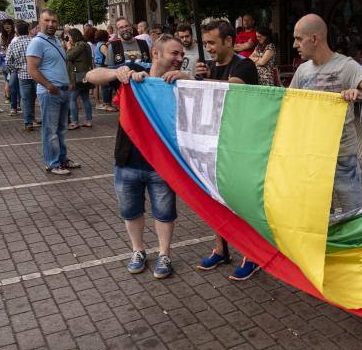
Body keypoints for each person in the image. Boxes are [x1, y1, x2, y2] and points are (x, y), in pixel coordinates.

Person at [85, 34, 206, 279]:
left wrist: (190, 78)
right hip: (128, 159)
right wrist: (118, 74)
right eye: (175, 53)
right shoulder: (135, 72)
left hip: (163, 163)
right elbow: (90, 76)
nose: (180, 59)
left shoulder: (182, 82)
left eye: (182, 55)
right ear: (156, 54)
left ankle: (164, 254)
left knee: (164, 212)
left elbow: (209, 96)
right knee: (130, 211)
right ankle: (138, 250)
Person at [291, 14, 362, 211]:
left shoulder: (346, 65)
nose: (295, 44)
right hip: (314, 157)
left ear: (315, 39)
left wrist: (360, 92)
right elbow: (289, 107)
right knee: (319, 217)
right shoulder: (302, 71)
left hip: (343, 157)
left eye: (299, 39)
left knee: (352, 217)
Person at [195, 20, 261, 281]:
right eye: (206, 43)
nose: (208, 48)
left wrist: (197, 80)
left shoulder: (245, 65)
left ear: (229, 41)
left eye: (212, 42)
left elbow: (229, 89)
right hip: (215, 144)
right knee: (216, 198)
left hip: (241, 146)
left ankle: (251, 255)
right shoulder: (208, 68)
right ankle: (221, 249)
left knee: (242, 203)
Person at [26, 9, 81, 175]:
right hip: (50, 92)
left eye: (54, 21)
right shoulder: (37, 42)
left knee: (61, 129)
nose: (51, 24)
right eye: (47, 20)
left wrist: (68, 82)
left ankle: (62, 159)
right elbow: (32, 69)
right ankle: (52, 163)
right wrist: (49, 85)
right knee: (50, 131)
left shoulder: (56, 40)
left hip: (62, 90)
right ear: (40, 22)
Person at [105, 18, 151, 112]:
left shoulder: (144, 43)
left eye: (126, 26)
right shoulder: (113, 46)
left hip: (143, 89)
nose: (125, 29)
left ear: (131, 27)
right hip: (123, 91)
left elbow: (150, 64)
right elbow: (110, 70)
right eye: (121, 27)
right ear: (118, 30)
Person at [5, 20, 37, 132]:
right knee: (36, 98)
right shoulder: (34, 41)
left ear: (16, 31)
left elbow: (8, 62)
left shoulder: (13, 44)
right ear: (28, 30)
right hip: (37, 74)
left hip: (23, 75)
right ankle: (34, 119)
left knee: (26, 99)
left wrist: (15, 69)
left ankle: (28, 123)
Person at [65, 28, 94, 130]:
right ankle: (88, 120)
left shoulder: (79, 45)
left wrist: (68, 47)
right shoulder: (86, 44)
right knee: (85, 98)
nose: (68, 39)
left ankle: (75, 122)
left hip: (78, 76)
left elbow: (69, 56)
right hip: (86, 75)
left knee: (72, 99)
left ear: (73, 36)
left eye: (69, 36)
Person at [0, 19, 16, 111]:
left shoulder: (15, 36)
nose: (6, 26)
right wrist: (1, 52)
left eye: (8, 24)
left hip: (13, 62)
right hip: (4, 62)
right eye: (5, 24)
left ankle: (9, 97)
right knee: (8, 80)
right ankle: (10, 98)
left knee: (9, 80)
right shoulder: (0, 36)